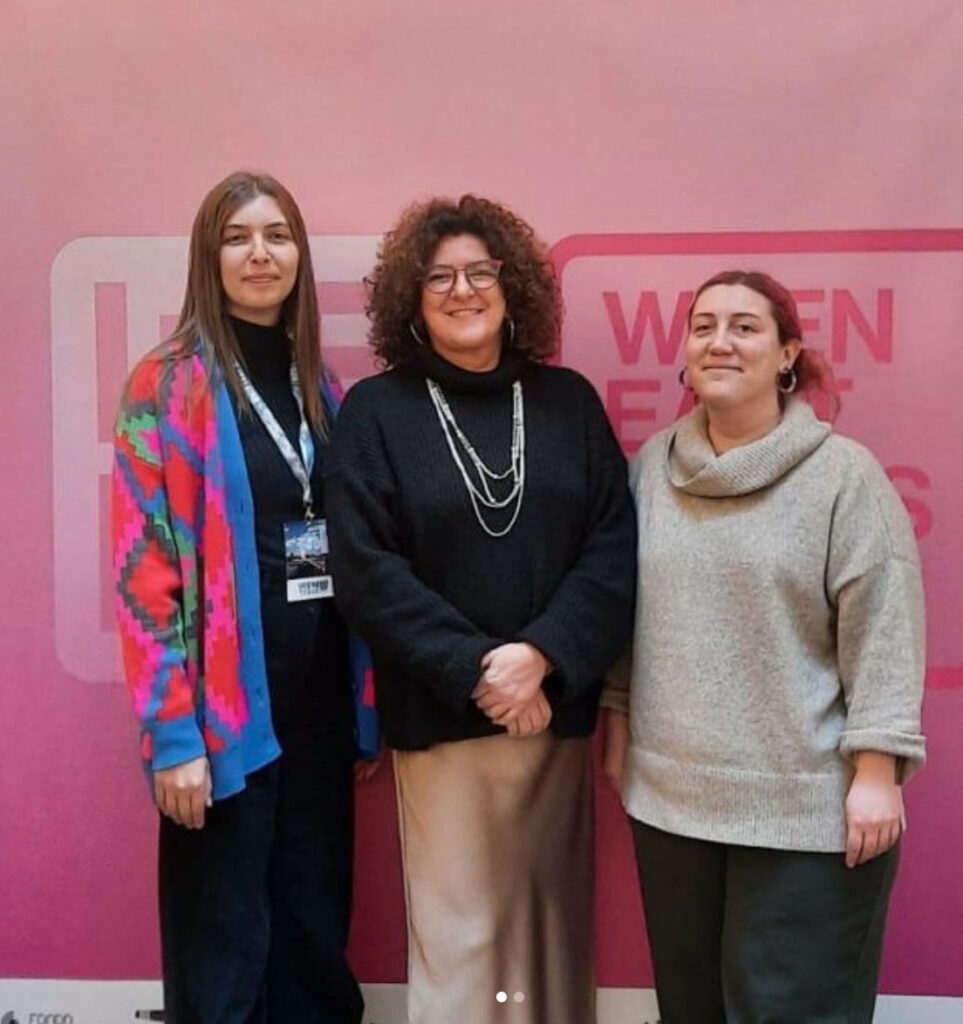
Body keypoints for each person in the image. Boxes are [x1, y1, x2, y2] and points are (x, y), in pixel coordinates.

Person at [326, 194, 636, 1024]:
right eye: (439, 277)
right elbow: (364, 570)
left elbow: (612, 549)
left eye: (479, 272)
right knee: (464, 947)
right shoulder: (376, 413)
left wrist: (540, 656)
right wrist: (477, 668)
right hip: (443, 722)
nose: (462, 290)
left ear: (511, 285)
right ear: (410, 297)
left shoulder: (568, 402)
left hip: (550, 719)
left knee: (547, 945)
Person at [602, 269, 926, 1023]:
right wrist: (617, 716)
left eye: (744, 327)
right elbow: (623, 607)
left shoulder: (844, 477)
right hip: (673, 807)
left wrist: (878, 768)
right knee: (692, 1010)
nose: (720, 341)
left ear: (787, 356)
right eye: (703, 326)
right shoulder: (650, 469)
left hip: (804, 813)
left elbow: (884, 626)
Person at [112, 171, 372, 1024]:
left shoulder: (321, 388)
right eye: (237, 238)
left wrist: (363, 711)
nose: (260, 254)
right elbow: (142, 576)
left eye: (277, 235)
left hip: (320, 721)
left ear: (299, 256)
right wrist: (172, 738)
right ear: (208, 258)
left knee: (312, 945)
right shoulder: (163, 385)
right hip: (220, 728)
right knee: (223, 961)